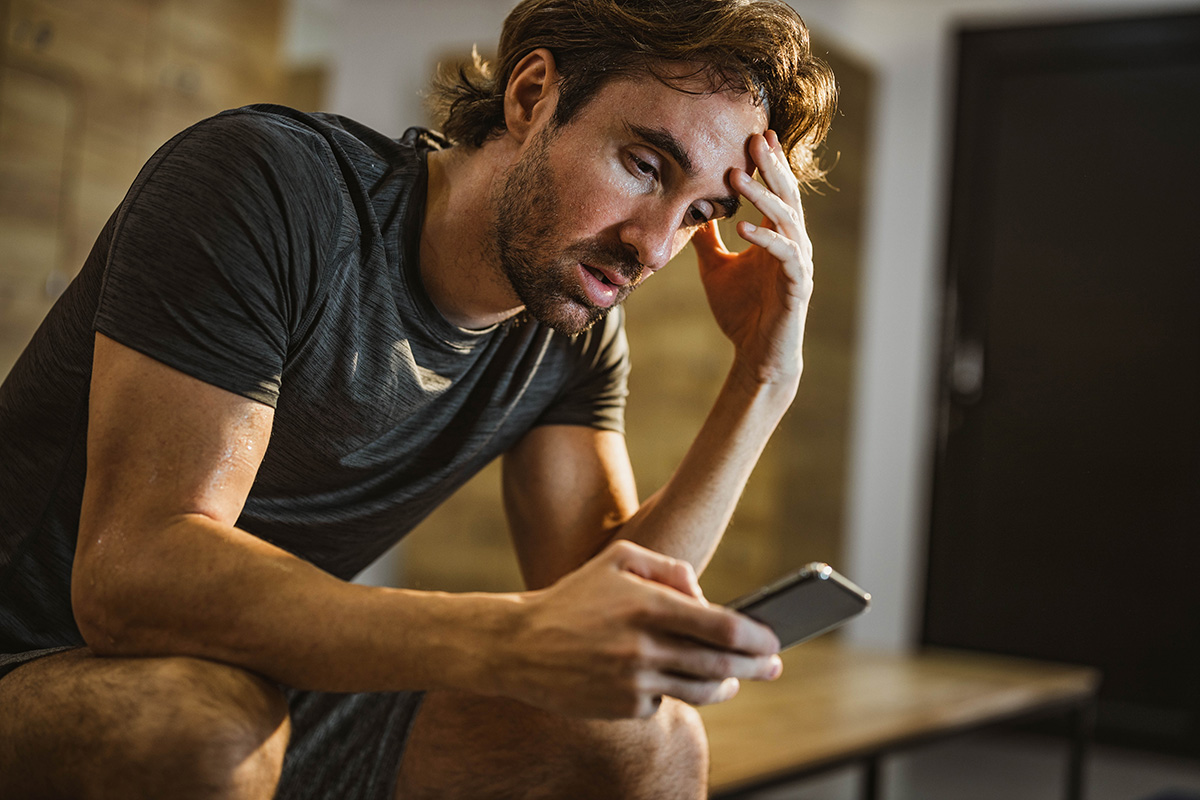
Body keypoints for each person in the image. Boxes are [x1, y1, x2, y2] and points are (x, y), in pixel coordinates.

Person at [0, 0, 836, 797]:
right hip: (39, 660)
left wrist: (763, 379)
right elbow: (134, 573)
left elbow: (610, 602)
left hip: (263, 678)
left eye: (701, 213)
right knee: (196, 728)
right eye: (644, 166)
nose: (651, 246)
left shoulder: (570, 336)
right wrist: (508, 638)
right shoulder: (270, 184)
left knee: (646, 741)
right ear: (532, 94)